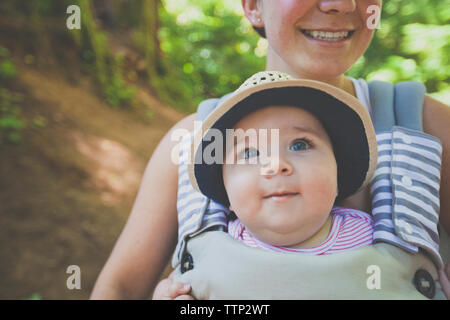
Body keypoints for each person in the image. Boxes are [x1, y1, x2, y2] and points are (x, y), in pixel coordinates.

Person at [90, 0, 450, 300]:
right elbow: (118, 288)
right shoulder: (191, 142)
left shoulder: (424, 125)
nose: (340, 3)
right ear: (252, 6)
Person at [189, 71, 377, 258]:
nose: (277, 165)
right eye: (250, 153)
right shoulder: (216, 250)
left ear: (337, 171)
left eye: (299, 145)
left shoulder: (370, 240)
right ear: (225, 190)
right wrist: (171, 288)